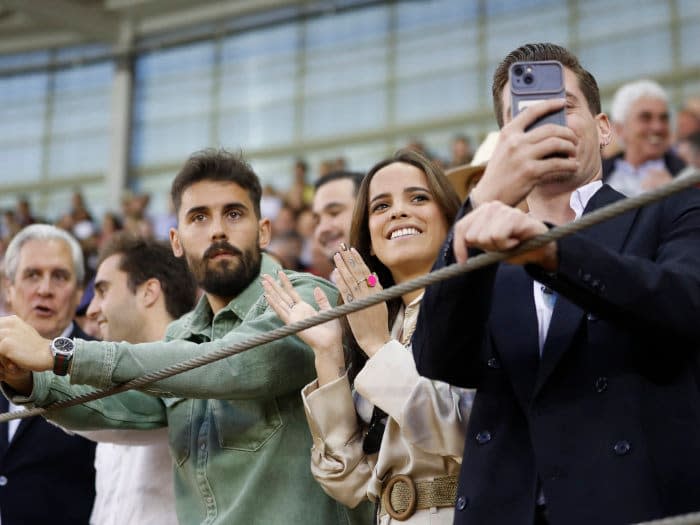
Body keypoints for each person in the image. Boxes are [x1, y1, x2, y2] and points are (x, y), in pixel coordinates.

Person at [0, 149, 372, 525]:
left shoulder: (307, 296)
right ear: (176, 241)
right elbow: (116, 406)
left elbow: (233, 365)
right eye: (199, 217)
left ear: (264, 231)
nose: (217, 230)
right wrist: (27, 379)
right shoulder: (180, 334)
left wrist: (62, 353)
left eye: (234, 213)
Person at [412, 42, 700, 525]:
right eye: (525, 115)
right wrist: (482, 203)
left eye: (563, 107)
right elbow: (438, 355)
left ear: (604, 128)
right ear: (505, 142)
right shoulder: (482, 253)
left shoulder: (671, 209)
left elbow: (684, 304)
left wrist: (554, 253)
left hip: (632, 504)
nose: (547, 123)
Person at [263, 149, 473, 524]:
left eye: (419, 198)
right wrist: (328, 353)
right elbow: (349, 481)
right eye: (381, 206)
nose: (398, 212)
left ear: (450, 218)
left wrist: (379, 347)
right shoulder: (378, 324)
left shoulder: (483, 303)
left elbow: (469, 435)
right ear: (370, 241)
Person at [77, 234, 197, 525]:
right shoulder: (109, 386)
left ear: (149, 292)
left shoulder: (196, 376)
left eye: (103, 291)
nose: (92, 310)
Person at [0, 224, 96, 525]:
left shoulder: (103, 366)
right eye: (32, 275)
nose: (44, 289)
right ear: (8, 288)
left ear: (80, 291)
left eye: (60, 276)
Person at [603, 79, 685, 196]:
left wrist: (678, 195)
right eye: (645, 118)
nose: (658, 127)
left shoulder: (689, 176)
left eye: (663, 118)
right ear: (620, 129)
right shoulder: (597, 179)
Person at [311, 170, 365, 279]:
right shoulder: (323, 292)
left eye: (334, 213)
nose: (323, 228)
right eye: (317, 221)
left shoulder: (400, 277)